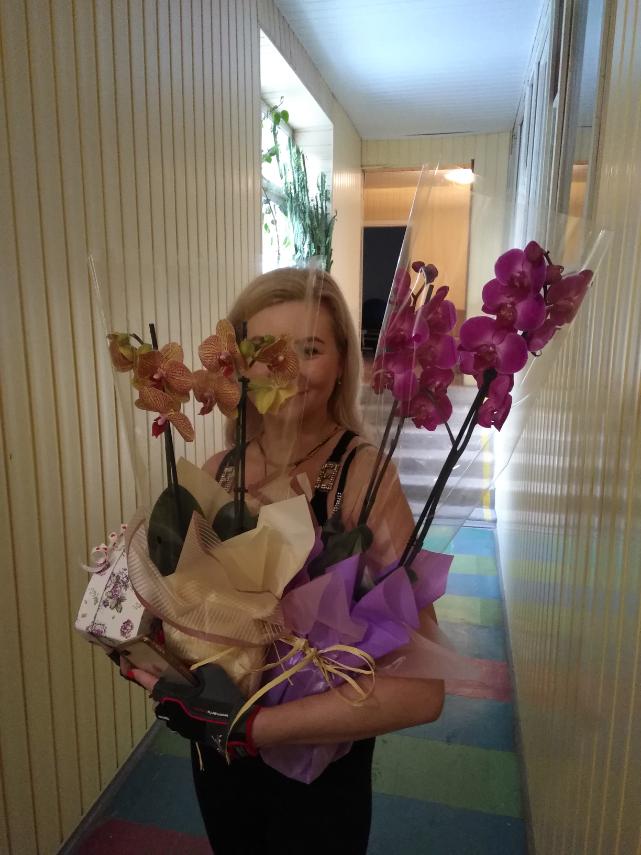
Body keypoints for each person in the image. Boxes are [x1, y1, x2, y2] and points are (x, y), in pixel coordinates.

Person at [127, 268, 445, 855]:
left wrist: (254, 727)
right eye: (263, 352)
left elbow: (424, 690)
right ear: (234, 368)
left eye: (311, 349)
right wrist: (149, 653)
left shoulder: (362, 478)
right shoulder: (218, 471)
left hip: (315, 771)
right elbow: (188, 622)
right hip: (220, 760)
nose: (287, 369)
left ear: (343, 362)